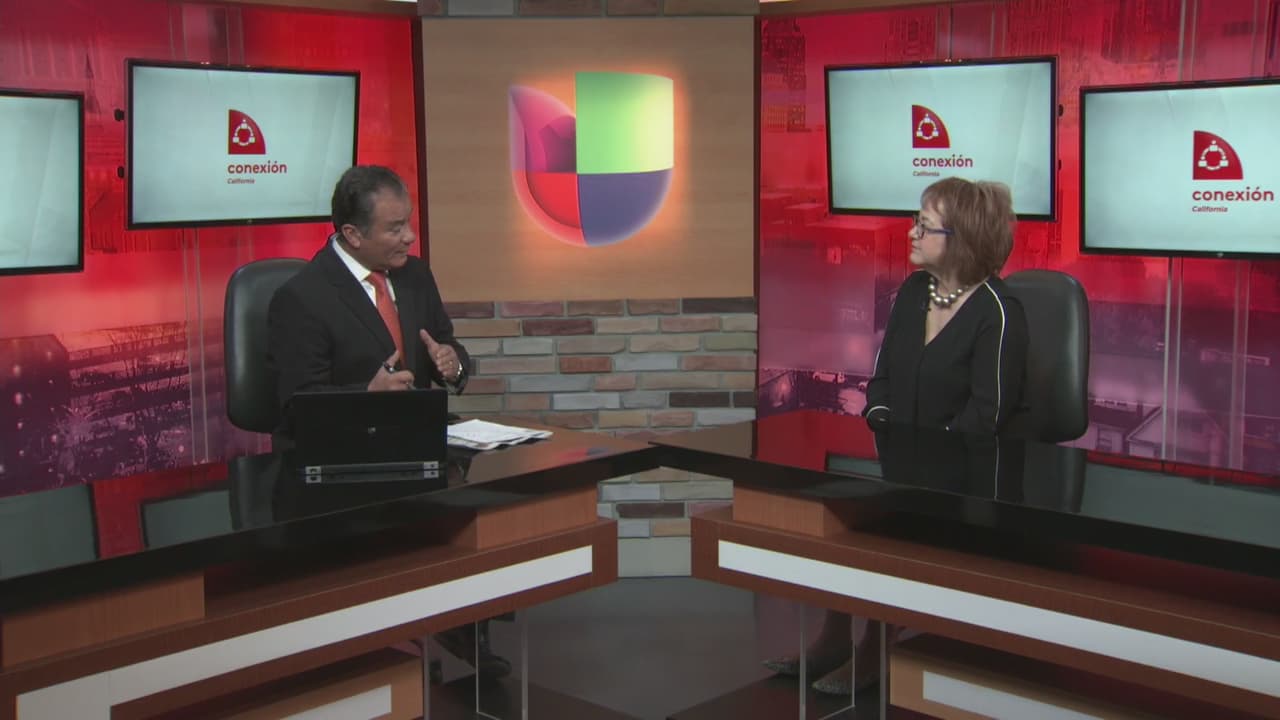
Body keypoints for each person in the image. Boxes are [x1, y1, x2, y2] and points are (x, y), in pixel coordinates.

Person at [765, 177, 1029, 695]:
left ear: (961, 239)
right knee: (842, 515)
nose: (911, 233)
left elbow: (987, 415)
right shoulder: (913, 292)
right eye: (915, 222)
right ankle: (834, 638)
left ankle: (875, 648)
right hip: (906, 470)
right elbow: (882, 378)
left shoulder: (998, 312)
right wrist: (882, 418)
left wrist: (926, 451)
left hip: (964, 485)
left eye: (924, 226)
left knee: (888, 527)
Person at [266, 164, 506, 679]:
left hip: (417, 449)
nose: (410, 237)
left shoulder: (414, 275)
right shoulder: (302, 297)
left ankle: (460, 623)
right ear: (353, 234)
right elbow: (297, 405)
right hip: (342, 467)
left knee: (489, 506)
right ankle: (382, 657)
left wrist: (451, 363)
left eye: (409, 222)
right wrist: (367, 396)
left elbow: (445, 341)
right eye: (395, 228)